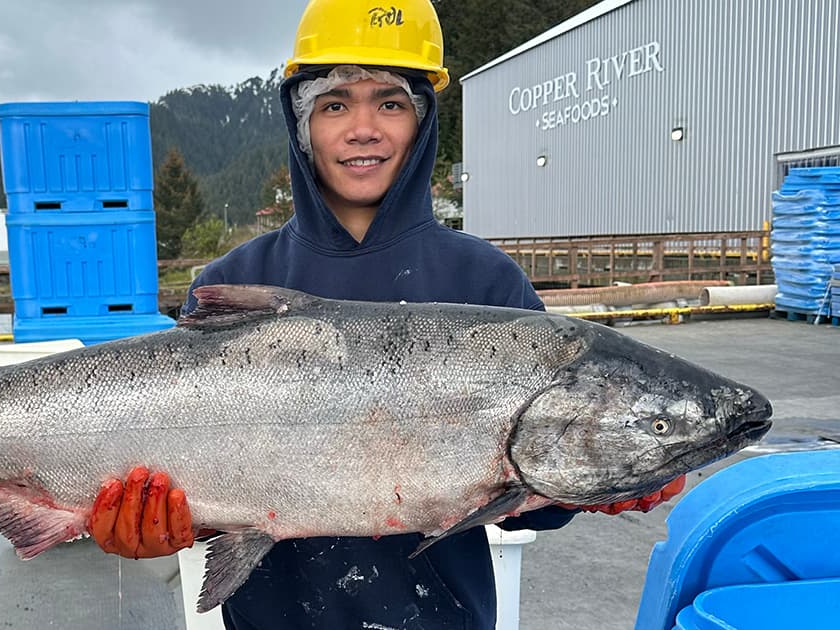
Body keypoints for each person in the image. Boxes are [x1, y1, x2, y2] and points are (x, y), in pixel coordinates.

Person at [88, 1, 686, 627]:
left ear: (423, 120)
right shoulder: (229, 284)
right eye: (335, 103)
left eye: (391, 102)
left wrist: (605, 479)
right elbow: (185, 487)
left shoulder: (485, 282)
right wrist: (149, 524)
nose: (363, 127)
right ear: (302, 123)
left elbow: (537, 488)